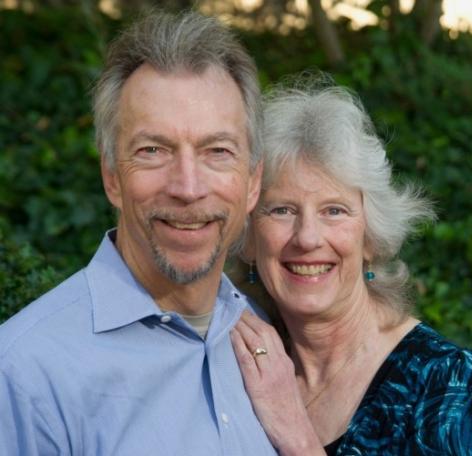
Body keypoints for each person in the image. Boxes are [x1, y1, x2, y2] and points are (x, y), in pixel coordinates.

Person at [0, 11, 278, 455]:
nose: (187, 187)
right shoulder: (25, 374)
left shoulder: (263, 338)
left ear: (252, 182)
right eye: (153, 150)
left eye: (217, 151)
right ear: (112, 175)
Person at [229, 77, 472, 455]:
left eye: (334, 211)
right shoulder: (234, 359)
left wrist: (296, 435)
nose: (307, 238)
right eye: (281, 209)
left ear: (370, 237)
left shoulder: (445, 382)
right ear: (248, 239)